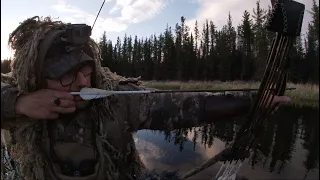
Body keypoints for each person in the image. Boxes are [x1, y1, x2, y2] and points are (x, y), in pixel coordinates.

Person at [1, 16, 290, 180]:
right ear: (37, 79)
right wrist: (18, 103)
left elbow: (181, 106)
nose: (81, 81)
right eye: (65, 74)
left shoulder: (113, 98)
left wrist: (253, 102)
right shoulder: (21, 97)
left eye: (85, 68)